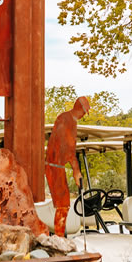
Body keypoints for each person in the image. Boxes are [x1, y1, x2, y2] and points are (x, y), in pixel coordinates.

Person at [45, 96, 89, 237]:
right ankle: (59, 238)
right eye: (84, 112)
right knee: (63, 205)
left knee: (64, 205)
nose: (84, 115)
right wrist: (76, 171)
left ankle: (60, 237)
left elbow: (70, 150)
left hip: (57, 166)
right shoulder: (66, 120)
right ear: (79, 108)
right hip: (54, 166)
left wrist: (76, 170)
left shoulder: (70, 121)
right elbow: (69, 150)